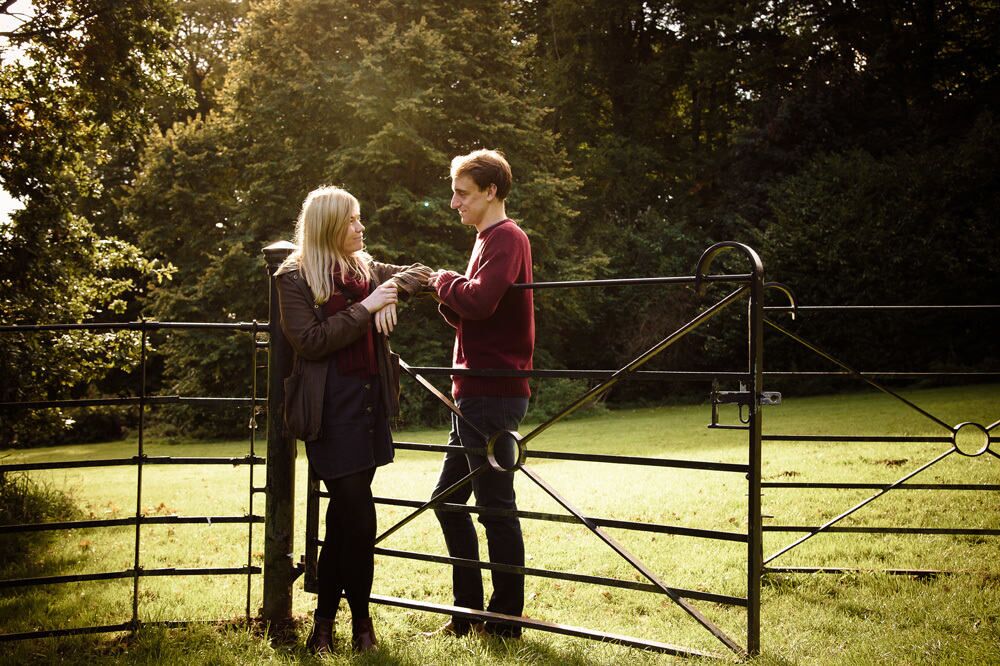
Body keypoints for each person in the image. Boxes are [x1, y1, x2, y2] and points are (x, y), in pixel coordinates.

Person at [275, 185, 430, 654]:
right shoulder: (294, 277)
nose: (362, 228)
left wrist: (392, 292)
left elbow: (422, 272)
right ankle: (359, 624)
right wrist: (369, 308)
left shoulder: (364, 270)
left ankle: (326, 629)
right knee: (358, 519)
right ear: (328, 226)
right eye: (353, 221)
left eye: (361, 219)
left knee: (346, 520)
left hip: (368, 407)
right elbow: (311, 340)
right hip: (328, 413)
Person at [425, 149, 534, 639]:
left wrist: (440, 280)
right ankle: (467, 615)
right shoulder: (486, 239)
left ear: (491, 191)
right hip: (472, 391)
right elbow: (475, 311)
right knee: (448, 501)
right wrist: (449, 293)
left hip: (491, 392)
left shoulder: (507, 238)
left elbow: (481, 300)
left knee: (495, 507)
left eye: (462, 193)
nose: (454, 203)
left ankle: (505, 620)